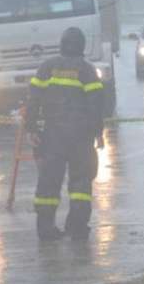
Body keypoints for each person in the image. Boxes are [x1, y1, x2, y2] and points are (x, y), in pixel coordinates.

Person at [25, 27, 105, 241]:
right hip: (81, 137)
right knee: (80, 183)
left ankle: (45, 228)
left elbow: (33, 101)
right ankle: (77, 228)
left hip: (52, 136)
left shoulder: (46, 67)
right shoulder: (87, 71)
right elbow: (96, 105)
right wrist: (99, 133)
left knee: (48, 182)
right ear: (82, 46)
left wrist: (31, 129)